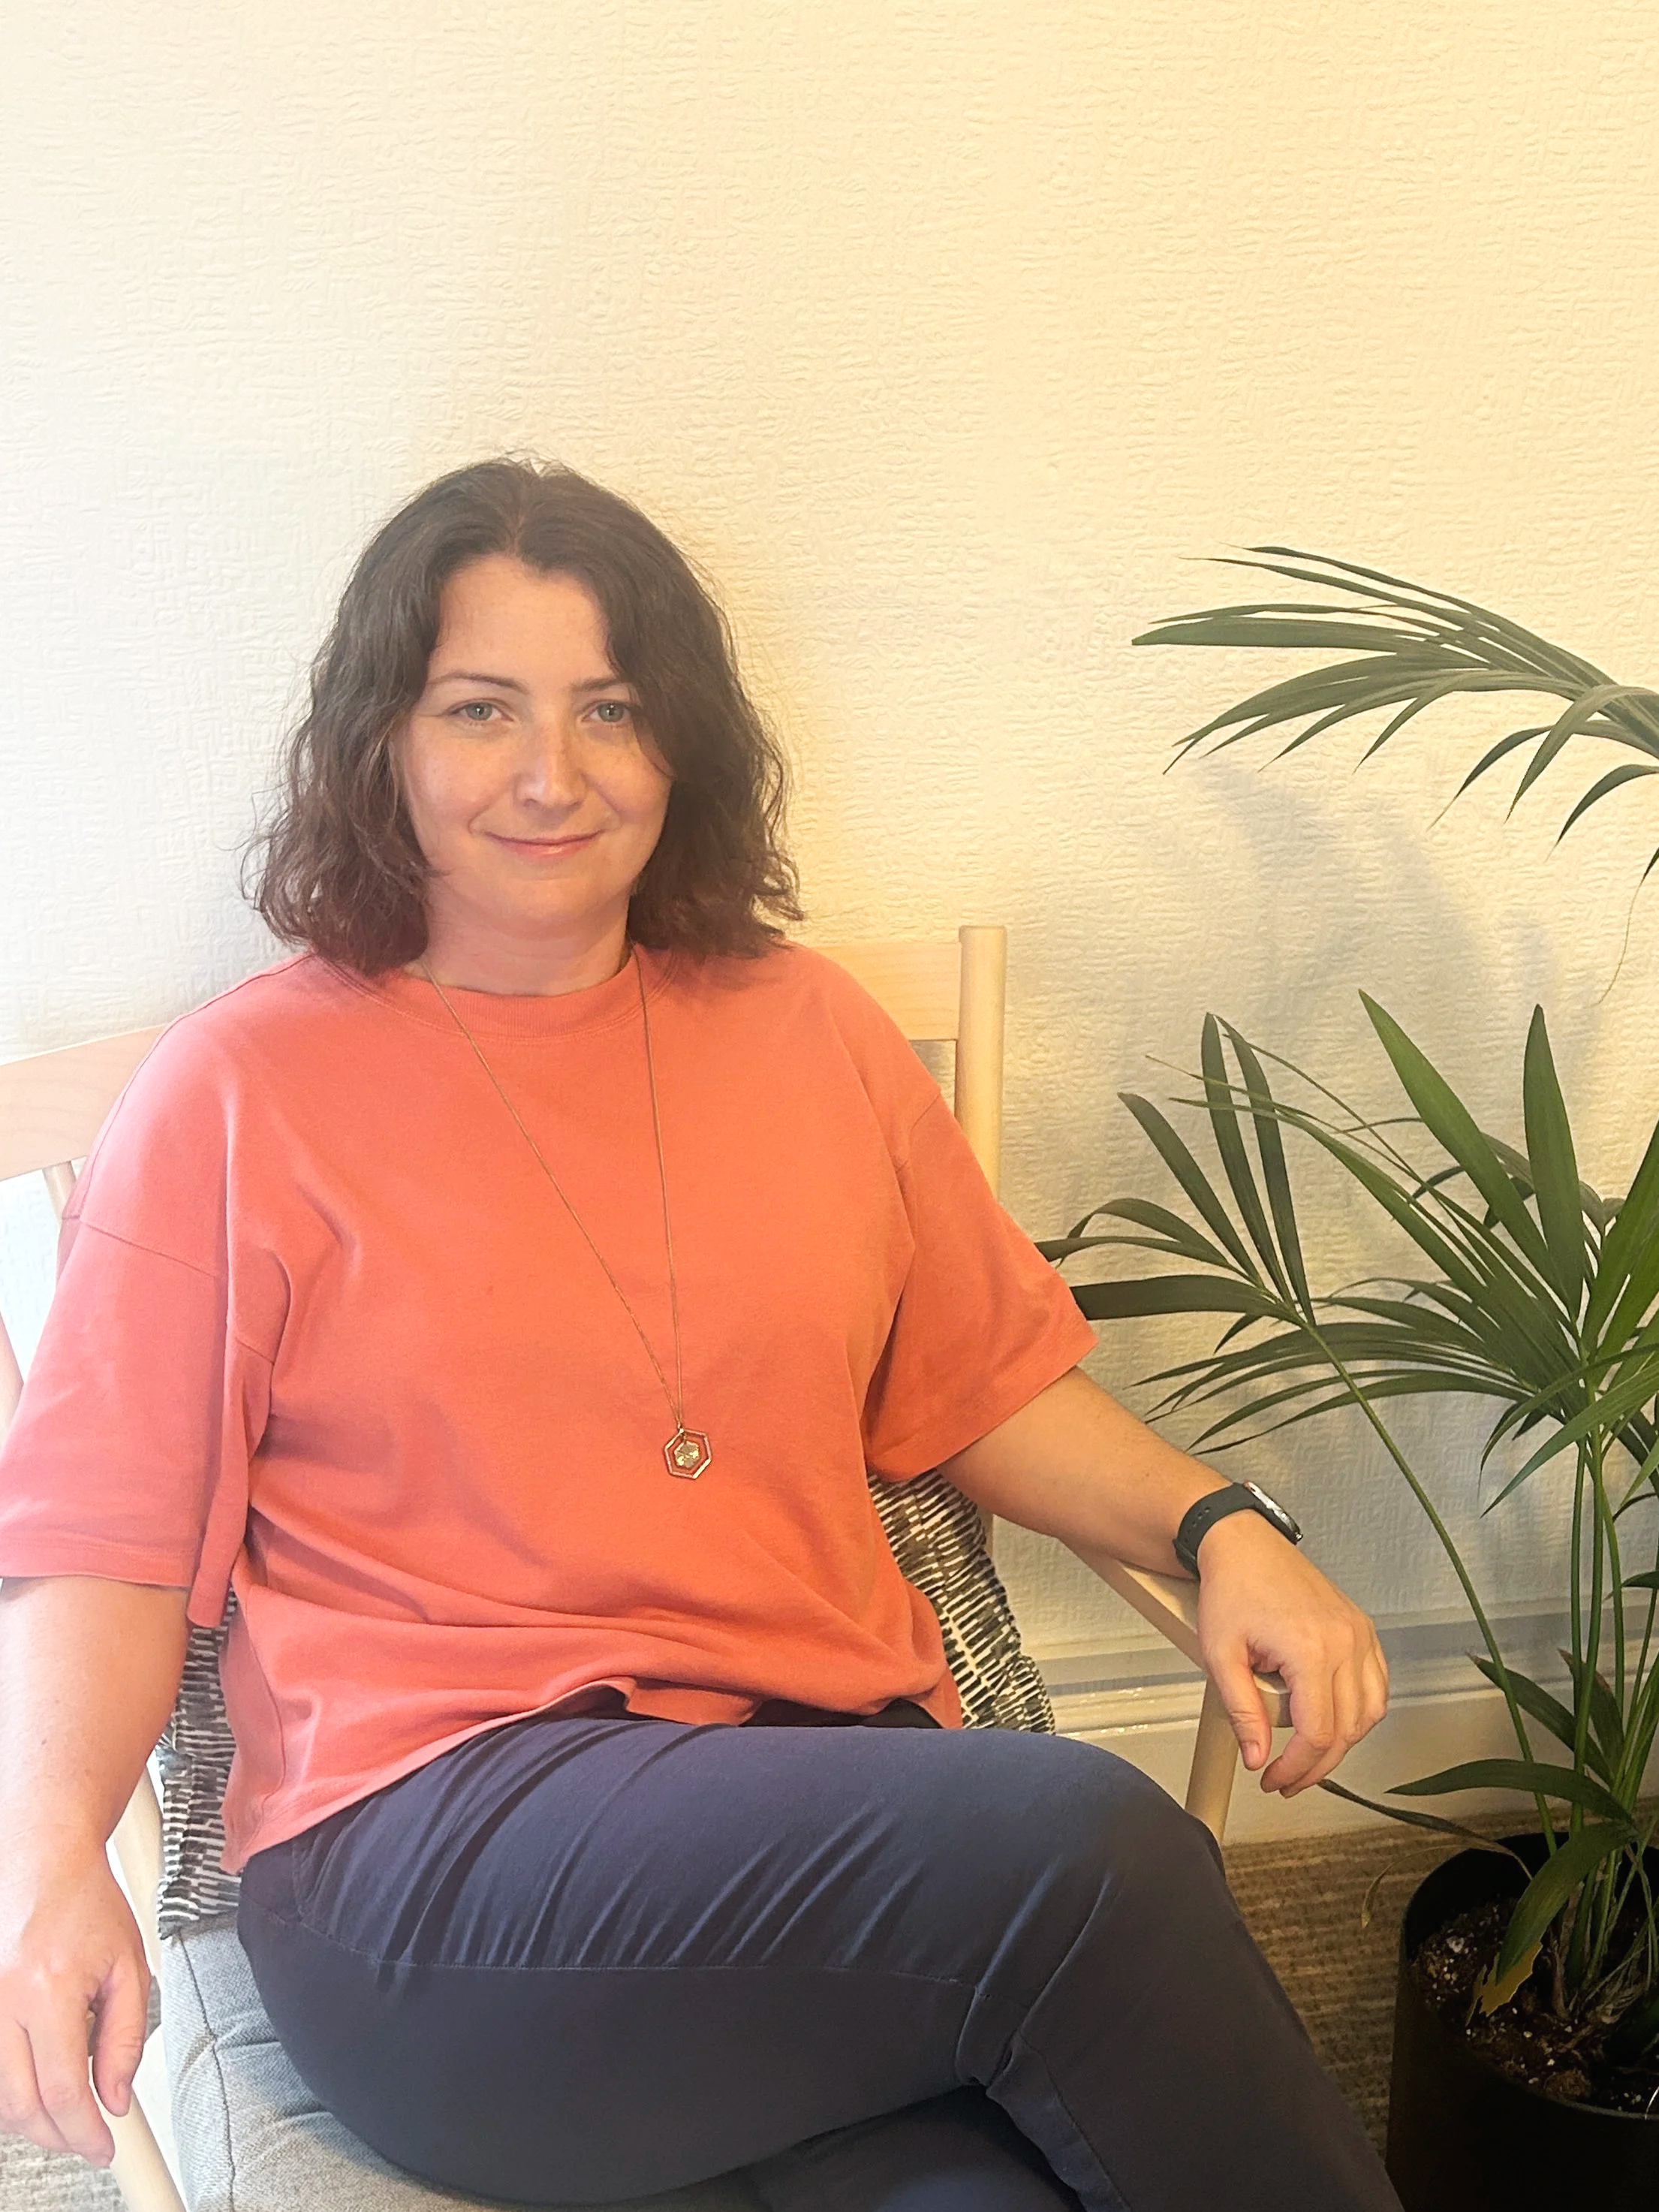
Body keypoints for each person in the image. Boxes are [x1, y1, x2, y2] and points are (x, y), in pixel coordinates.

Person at [0, 460, 1400, 2211]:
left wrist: (1223, 1528)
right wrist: (49, 1857)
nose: (550, 773)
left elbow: (979, 1387)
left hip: (820, 1817)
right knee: (1091, 1848)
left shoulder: (808, 1035)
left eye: (611, 710)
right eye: (479, 709)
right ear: (383, 745)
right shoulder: (244, 1090)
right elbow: (108, 1533)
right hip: (444, 1871)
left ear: (684, 748)